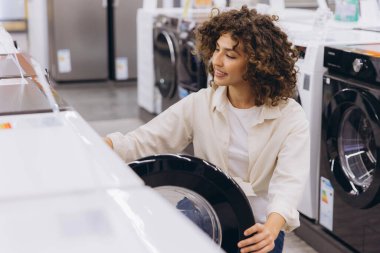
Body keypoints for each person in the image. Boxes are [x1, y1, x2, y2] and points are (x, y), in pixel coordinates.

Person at [104, 6, 310, 253]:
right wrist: (99, 145)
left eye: (231, 56)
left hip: (259, 226)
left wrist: (272, 228)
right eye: (216, 50)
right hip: (202, 208)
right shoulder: (201, 103)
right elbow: (145, 141)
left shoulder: (290, 117)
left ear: (258, 64)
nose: (217, 61)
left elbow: (289, 183)